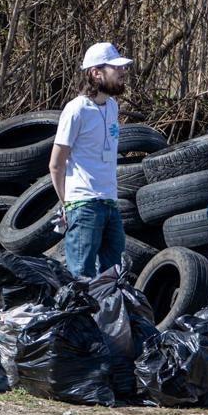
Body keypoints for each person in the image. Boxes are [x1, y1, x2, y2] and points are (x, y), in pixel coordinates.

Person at [48, 42, 131, 277]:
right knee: (81, 277)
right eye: (116, 68)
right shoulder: (76, 110)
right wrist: (68, 204)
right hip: (83, 205)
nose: (123, 72)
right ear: (96, 73)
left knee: (114, 275)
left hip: (110, 203)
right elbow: (56, 164)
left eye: (123, 67)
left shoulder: (112, 106)